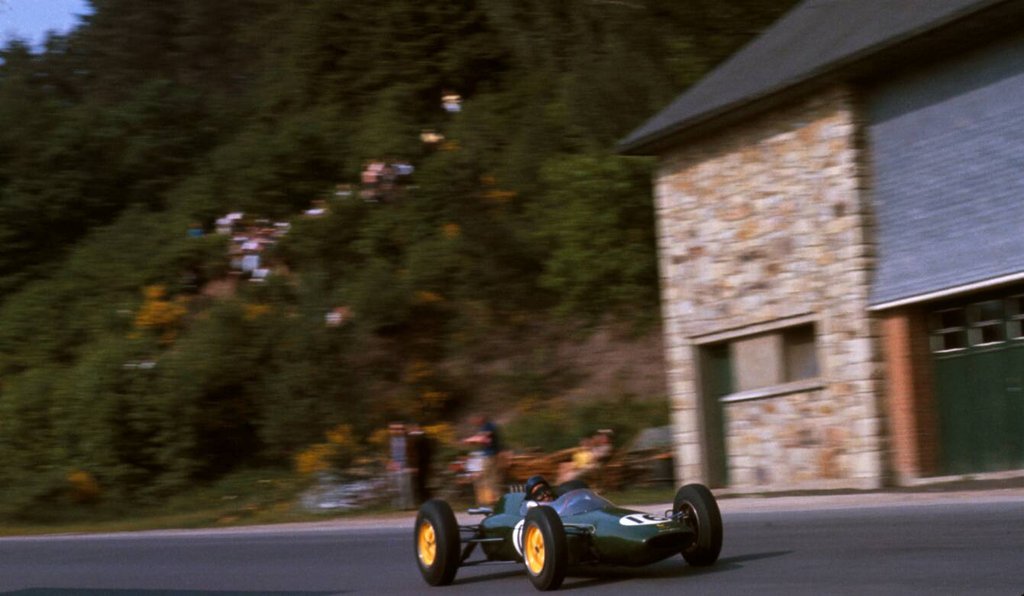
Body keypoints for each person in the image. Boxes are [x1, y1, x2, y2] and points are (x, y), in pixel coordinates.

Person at [463, 414, 502, 506]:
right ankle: (491, 500)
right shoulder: (486, 426)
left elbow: (482, 438)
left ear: (480, 418)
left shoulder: (488, 426)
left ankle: (492, 500)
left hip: (490, 456)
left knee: (488, 478)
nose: (474, 422)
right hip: (490, 455)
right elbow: (483, 439)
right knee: (489, 478)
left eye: (475, 419)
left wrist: (469, 440)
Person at [406, 422, 433, 504]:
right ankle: (424, 499)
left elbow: (413, 453)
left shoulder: (415, 438)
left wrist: (414, 465)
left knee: (420, 483)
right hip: (423, 463)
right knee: (422, 483)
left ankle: (423, 500)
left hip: (419, 464)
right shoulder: (423, 437)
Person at [388, 422, 413, 509]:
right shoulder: (391, 440)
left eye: (399, 429)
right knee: (395, 488)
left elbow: (412, 454)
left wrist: (410, 466)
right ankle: (397, 506)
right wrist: (390, 464)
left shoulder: (408, 440)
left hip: (405, 466)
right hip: (394, 467)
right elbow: (389, 454)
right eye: (393, 429)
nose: (396, 431)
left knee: (405, 487)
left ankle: (407, 506)